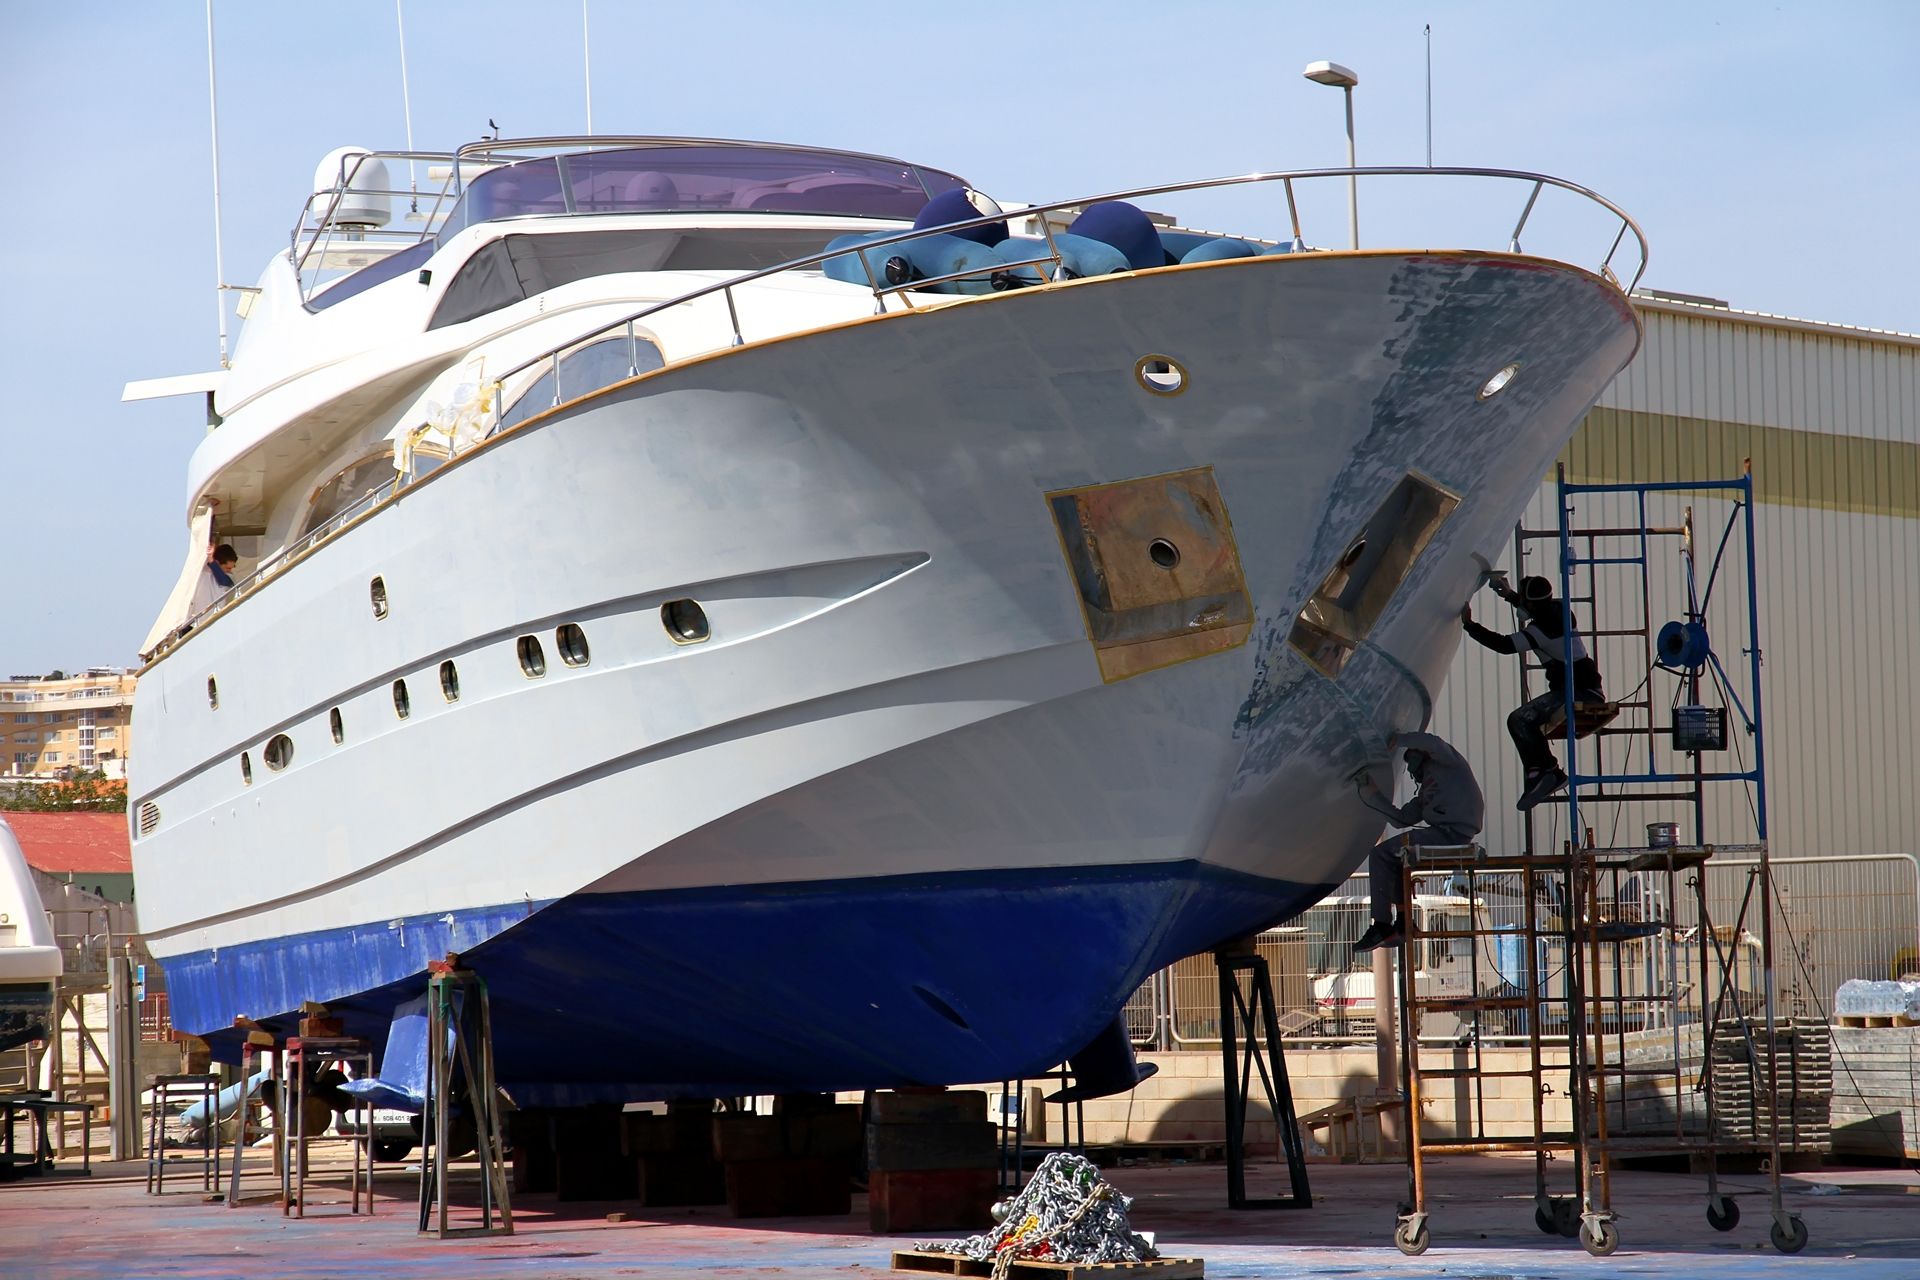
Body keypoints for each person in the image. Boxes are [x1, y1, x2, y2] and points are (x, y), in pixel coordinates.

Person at [1462, 573, 1606, 811]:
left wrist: (1470, 625)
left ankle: (1544, 773)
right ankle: (1545, 772)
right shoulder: (1560, 609)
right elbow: (1538, 609)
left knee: (1520, 719)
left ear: (1532, 605)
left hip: (1579, 693)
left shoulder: (1542, 630)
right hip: (1584, 689)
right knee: (1526, 719)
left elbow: (1505, 645)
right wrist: (1509, 595)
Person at [1352, 731, 1485, 953]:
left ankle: (1382, 925)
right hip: (1443, 834)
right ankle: (1402, 922)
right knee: (1392, 857)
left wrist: (1397, 739)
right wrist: (1371, 794)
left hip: (1451, 834)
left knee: (1380, 855)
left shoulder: (1449, 764)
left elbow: (1433, 743)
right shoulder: (1426, 794)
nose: (1415, 773)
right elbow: (1402, 819)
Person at [188, 543, 239, 616]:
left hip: (215, 617)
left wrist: (211, 561)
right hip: (196, 617)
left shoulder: (229, 576)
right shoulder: (202, 571)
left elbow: (223, 580)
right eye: (227, 568)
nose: (230, 570)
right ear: (218, 563)